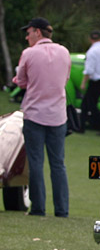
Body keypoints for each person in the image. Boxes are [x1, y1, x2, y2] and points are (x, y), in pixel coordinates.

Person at [13, 17, 71, 217]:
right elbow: (65, 78)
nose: (27, 37)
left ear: (37, 32)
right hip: (57, 115)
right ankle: (62, 209)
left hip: (35, 113)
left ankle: (38, 207)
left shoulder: (29, 53)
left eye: (28, 33)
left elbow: (21, 81)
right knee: (58, 164)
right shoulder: (64, 52)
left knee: (36, 162)